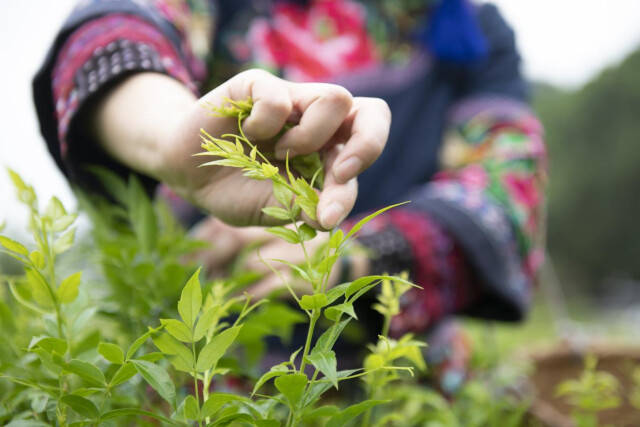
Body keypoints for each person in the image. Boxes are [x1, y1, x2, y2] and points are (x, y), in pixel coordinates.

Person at [33, 0, 547, 391]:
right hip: (210, 382)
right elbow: (111, 37)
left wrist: (359, 257)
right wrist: (174, 140)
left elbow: (507, 191)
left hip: (408, 382)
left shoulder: (464, 27)